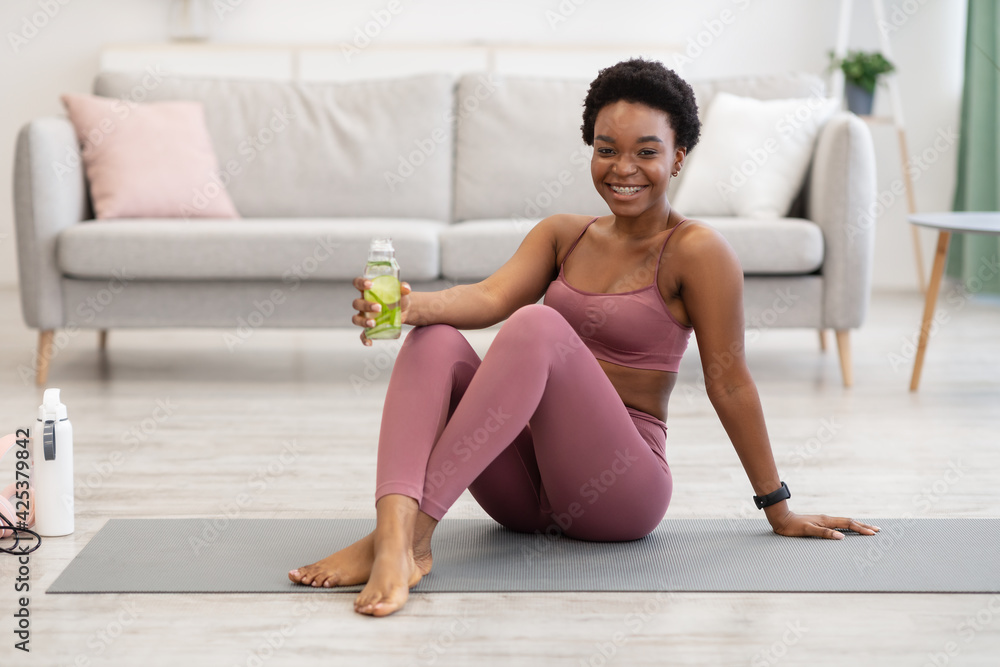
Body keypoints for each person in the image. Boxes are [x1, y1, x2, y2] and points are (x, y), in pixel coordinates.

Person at [288, 58, 879, 616]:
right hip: (525, 498)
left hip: (619, 493)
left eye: (646, 152)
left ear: (678, 158)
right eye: (606, 150)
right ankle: (390, 534)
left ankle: (409, 542)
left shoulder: (697, 251)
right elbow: (490, 298)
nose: (623, 168)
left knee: (539, 324)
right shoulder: (563, 236)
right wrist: (412, 306)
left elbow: (730, 382)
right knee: (433, 339)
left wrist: (777, 507)